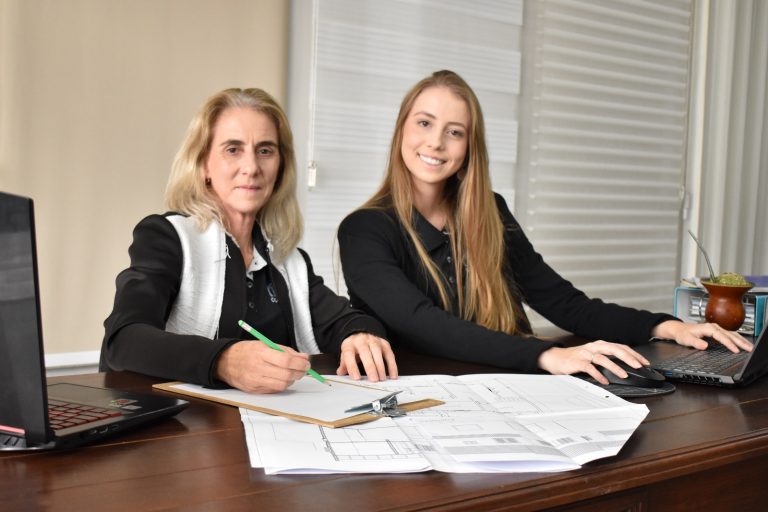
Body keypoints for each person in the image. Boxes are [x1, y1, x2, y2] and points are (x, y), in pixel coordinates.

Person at [337, 70, 752, 385]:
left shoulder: (490, 211)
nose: (436, 143)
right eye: (424, 123)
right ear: (402, 129)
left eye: (455, 132)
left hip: (500, 385)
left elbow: (564, 303)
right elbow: (422, 323)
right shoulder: (363, 230)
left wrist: (666, 326)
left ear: (469, 147)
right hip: (416, 398)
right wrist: (545, 355)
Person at [100, 87, 397, 393]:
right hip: (186, 418)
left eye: (265, 150)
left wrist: (360, 335)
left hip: (277, 419)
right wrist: (223, 360)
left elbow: (344, 320)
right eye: (233, 149)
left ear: (280, 167)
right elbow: (123, 340)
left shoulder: (288, 260)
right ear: (203, 165)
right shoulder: (167, 237)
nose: (252, 168)